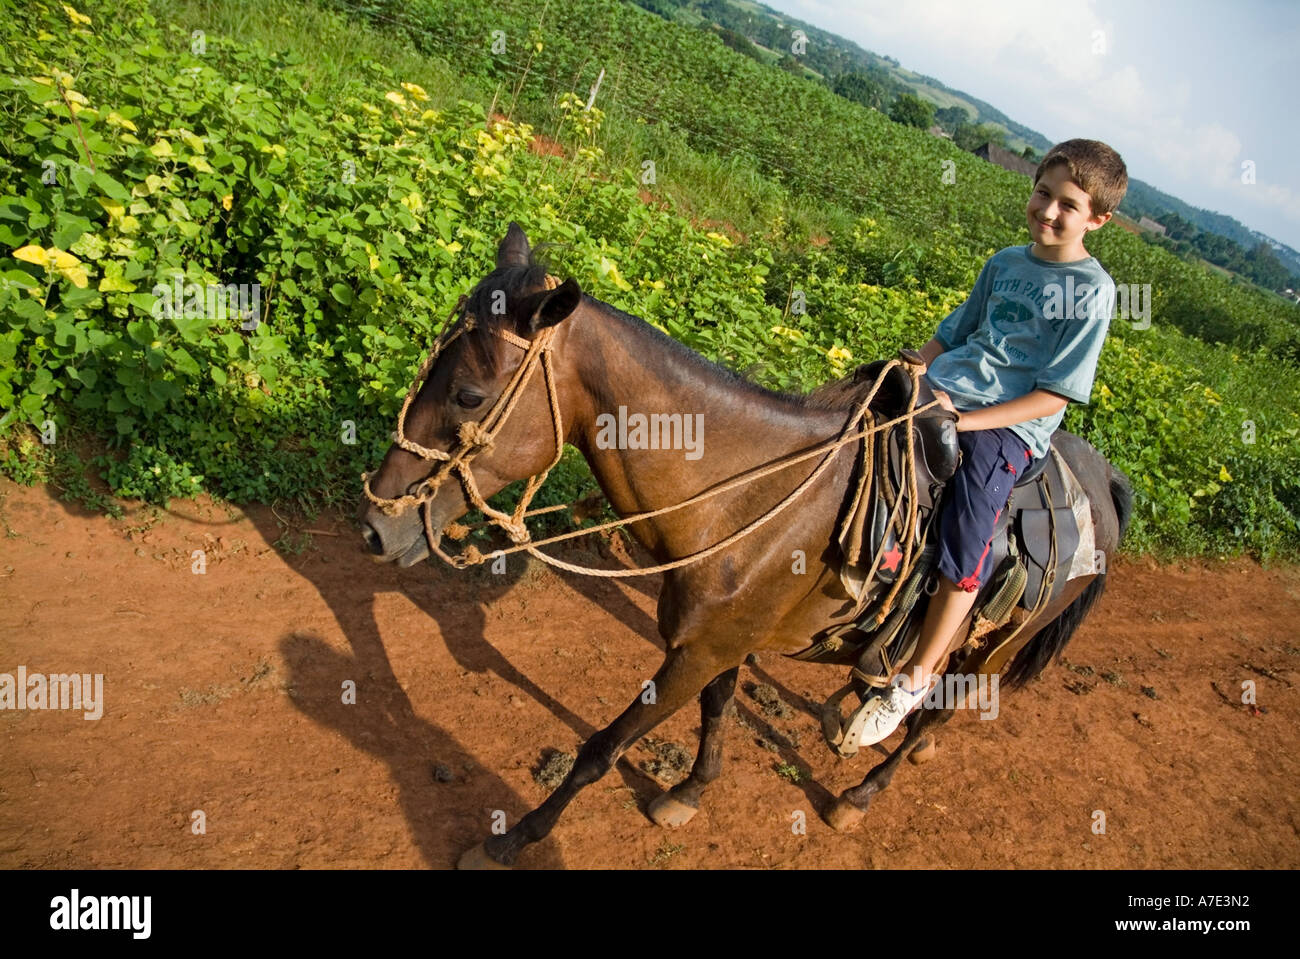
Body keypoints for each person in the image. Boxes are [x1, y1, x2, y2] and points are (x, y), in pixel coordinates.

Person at [853, 138, 1128, 746]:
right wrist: (912, 368)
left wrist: (963, 423)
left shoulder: (1091, 291)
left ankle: (916, 679)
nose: (1049, 212)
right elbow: (952, 335)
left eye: (1068, 206)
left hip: (1005, 427)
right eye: (1043, 193)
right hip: (944, 391)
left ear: (1098, 219)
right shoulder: (1005, 262)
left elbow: (1054, 396)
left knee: (968, 530)